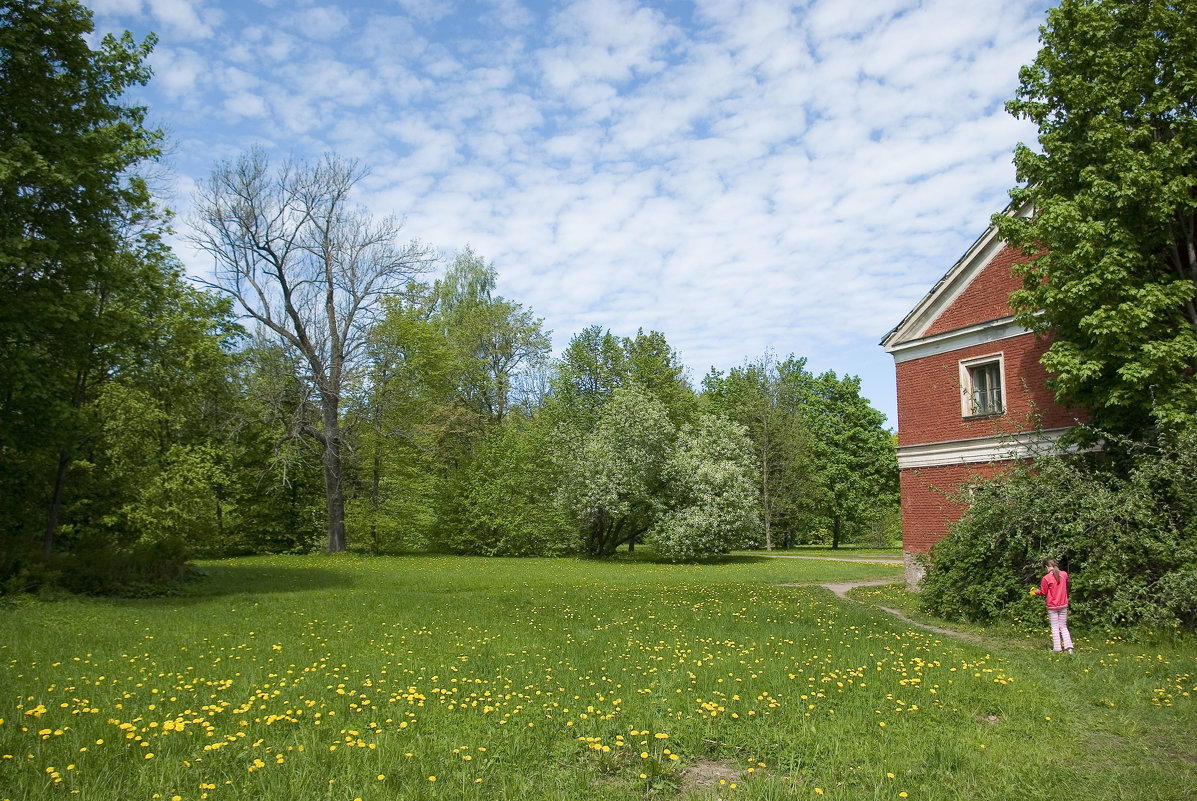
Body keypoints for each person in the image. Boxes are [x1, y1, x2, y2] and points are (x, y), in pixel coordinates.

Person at [1032, 558, 1073, 653]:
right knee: (1063, 626)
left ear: (1046, 567)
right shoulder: (1064, 574)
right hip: (1063, 604)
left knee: (1055, 627)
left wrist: (1035, 592)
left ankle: (1057, 648)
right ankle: (1069, 648)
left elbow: (1043, 592)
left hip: (1052, 606)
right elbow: (1065, 585)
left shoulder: (1046, 578)